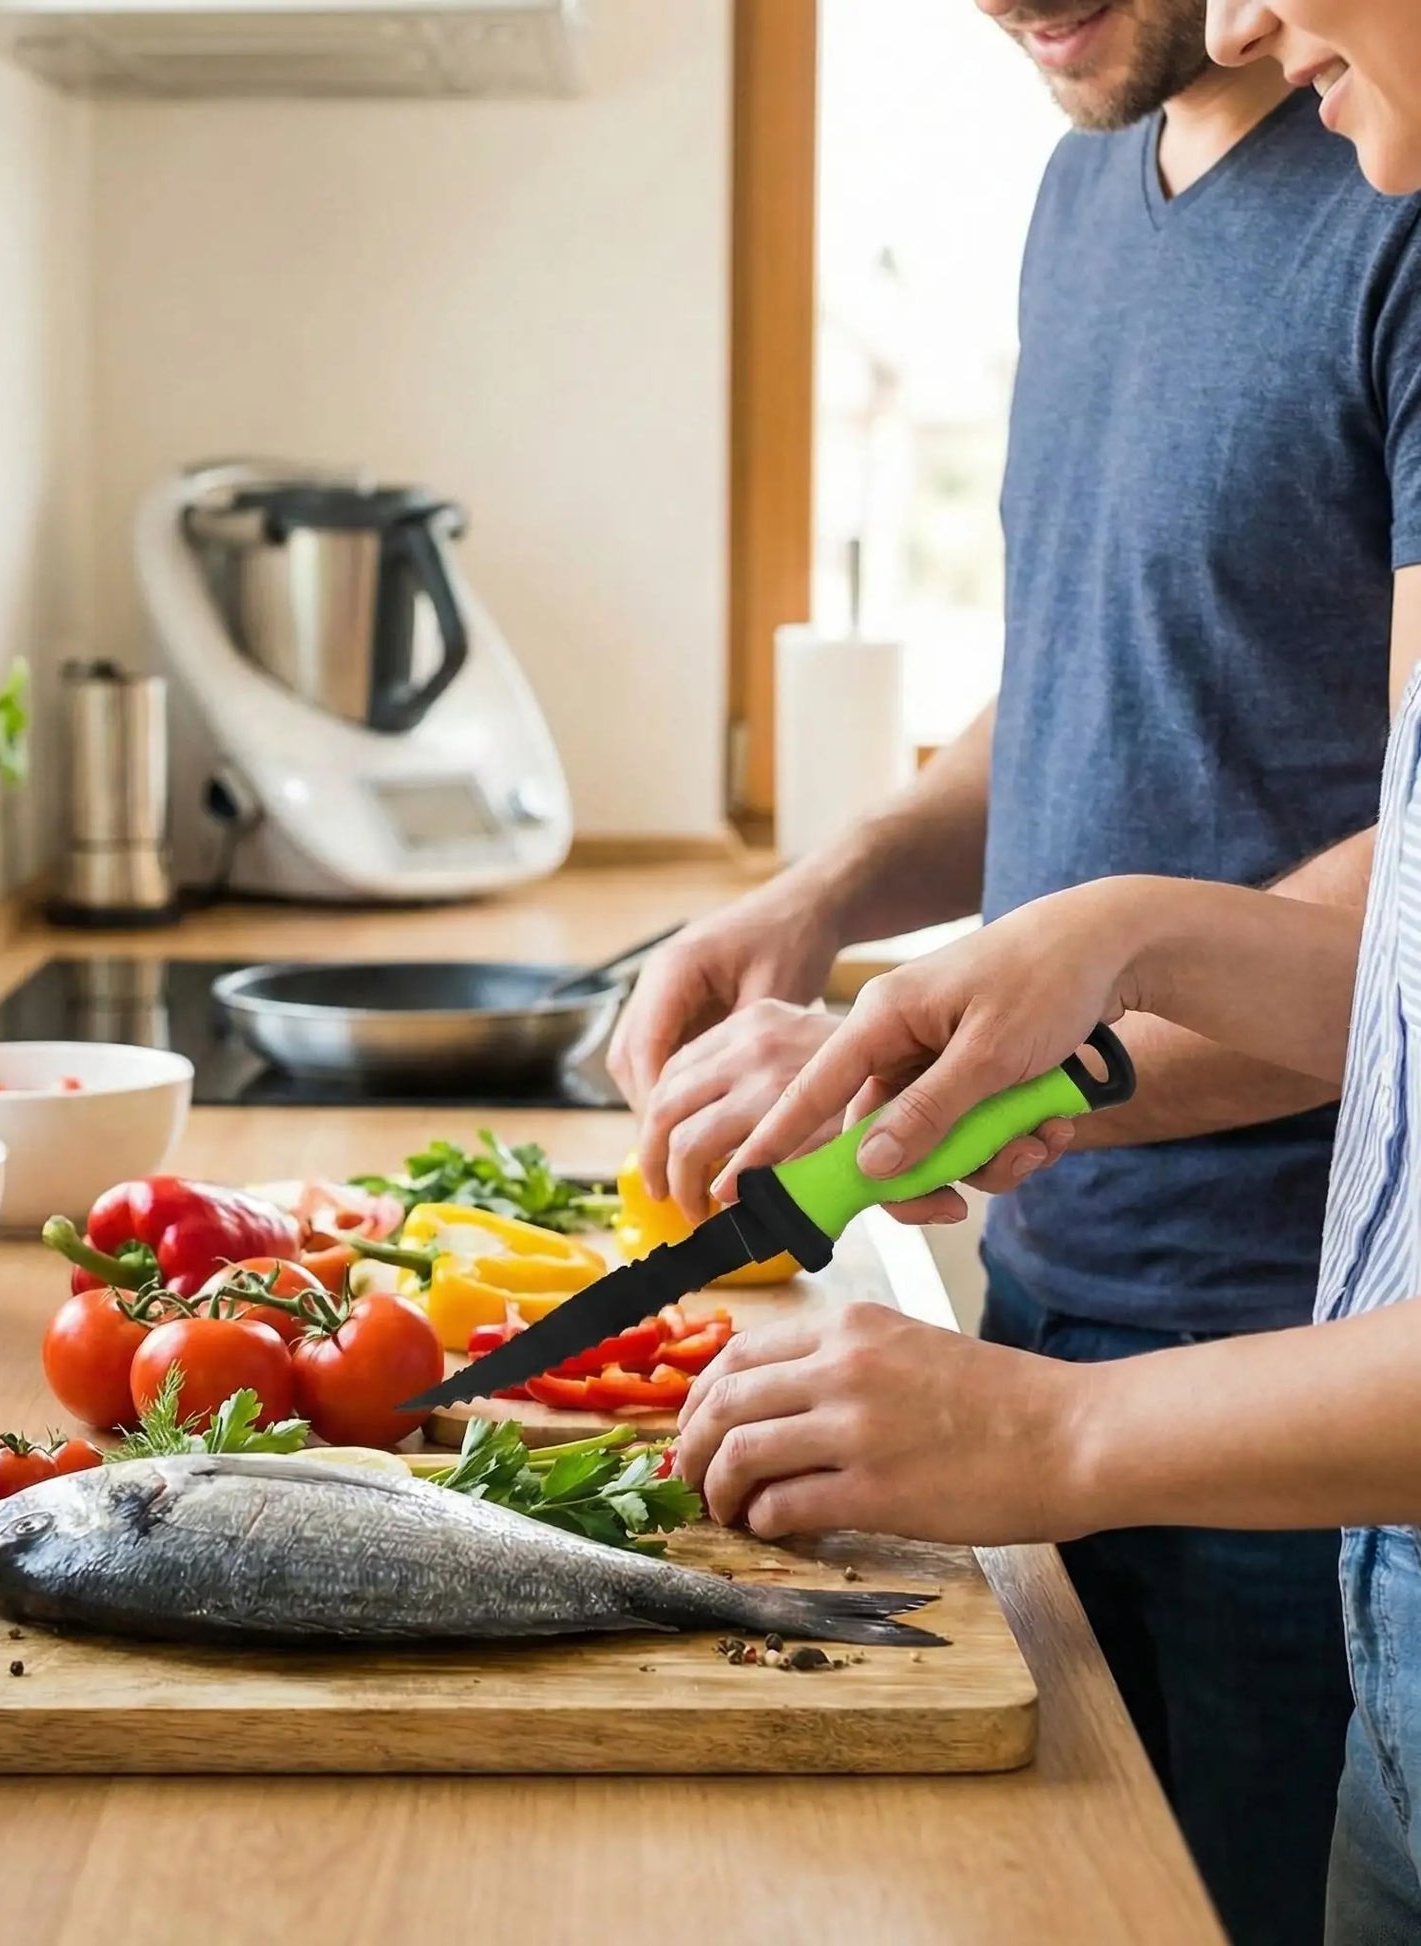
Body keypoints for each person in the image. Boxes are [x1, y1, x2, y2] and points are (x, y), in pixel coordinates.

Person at [610, 4, 1421, 1938]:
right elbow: (1098, 654)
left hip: (1283, 1371)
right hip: (1046, 1309)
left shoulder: (1392, 189)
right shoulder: (1086, 192)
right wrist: (831, 890)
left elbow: (1402, 894)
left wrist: (1022, 1062)